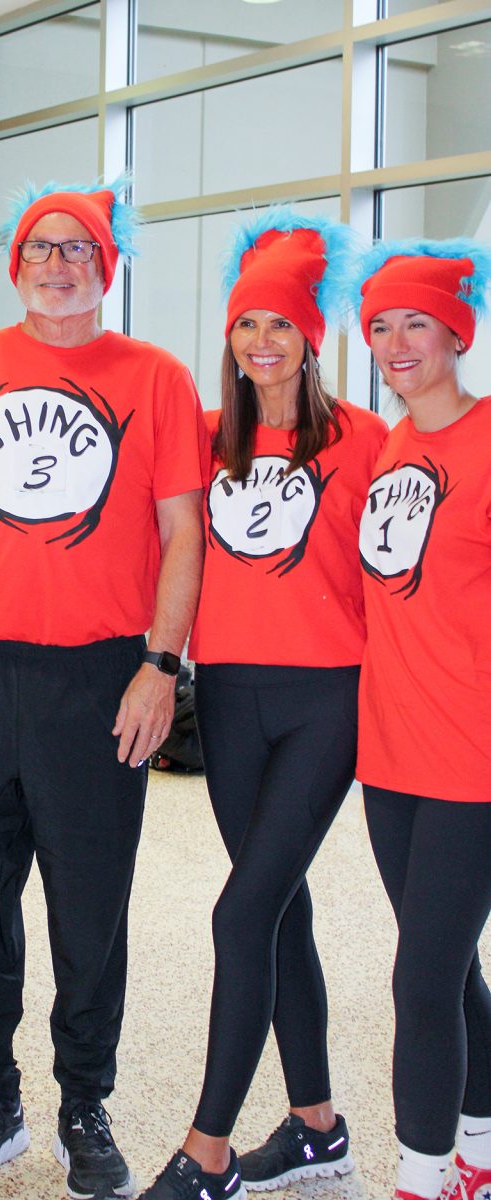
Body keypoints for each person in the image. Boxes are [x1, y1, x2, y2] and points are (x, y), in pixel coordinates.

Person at [0, 178, 209, 1198]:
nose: (58, 263)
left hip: (98, 679)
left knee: (87, 906)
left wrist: (160, 666)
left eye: (79, 248)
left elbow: (181, 535)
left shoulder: (153, 377)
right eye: (40, 247)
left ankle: (83, 1096)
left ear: (104, 267)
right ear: (15, 264)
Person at [141, 210, 388, 1200]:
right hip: (230, 695)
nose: (260, 342)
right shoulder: (204, 440)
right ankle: (317, 1127)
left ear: (309, 338)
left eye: (278, 326)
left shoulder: (364, 442)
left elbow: (404, 577)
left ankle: (207, 1152)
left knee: (240, 914)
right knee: (278, 912)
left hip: (328, 701)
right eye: (245, 325)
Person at [349, 239, 491, 1200]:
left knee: (419, 978)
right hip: (389, 750)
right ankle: (478, 1145)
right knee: (448, 963)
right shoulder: (389, 444)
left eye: (414, 322)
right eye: (379, 326)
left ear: (455, 331)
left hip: (472, 758)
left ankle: (423, 1173)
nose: (396, 342)